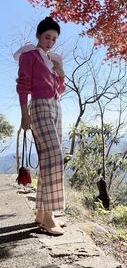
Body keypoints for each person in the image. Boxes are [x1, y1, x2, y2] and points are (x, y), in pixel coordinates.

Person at [14, 17, 66, 235]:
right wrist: (24, 113)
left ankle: (40, 213)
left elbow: (59, 90)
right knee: (55, 155)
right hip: (39, 107)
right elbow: (23, 84)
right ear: (38, 35)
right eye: (47, 37)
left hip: (56, 108)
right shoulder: (29, 55)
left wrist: (60, 70)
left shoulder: (51, 59)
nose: (50, 41)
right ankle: (48, 216)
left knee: (48, 158)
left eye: (54, 39)